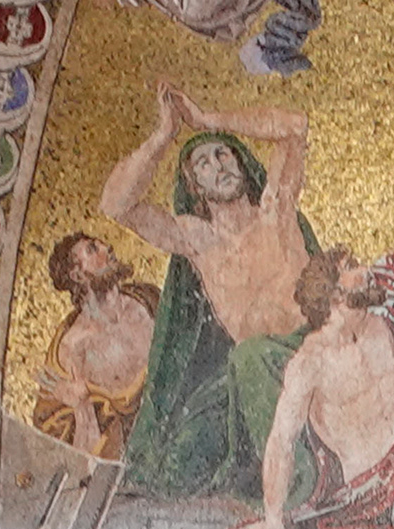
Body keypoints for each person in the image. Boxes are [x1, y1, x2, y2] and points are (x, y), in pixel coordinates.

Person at [221, 170, 394, 529]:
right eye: (354, 266)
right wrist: (273, 516)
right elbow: (281, 440)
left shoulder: (383, 316)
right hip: (373, 495)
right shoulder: (310, 364)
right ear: (337, 295)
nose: (368, 269)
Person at [102, 87, 320, 500]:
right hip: (250, 371)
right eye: (202, 163)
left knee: (249, 357)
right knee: (179, 458)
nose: (217, 164)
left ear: (240, 161)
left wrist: (209, 121)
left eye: (224, 154)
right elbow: (116, 204)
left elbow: (295, 126)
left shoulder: (276, 208)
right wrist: (162, 136)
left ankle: (297, 490)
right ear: (194, 187)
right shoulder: (198, 241)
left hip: (305, 346)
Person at [31, 233, 159, 458]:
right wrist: (81, 407)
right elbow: (86, 459)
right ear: (77, 274)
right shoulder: (73, 348)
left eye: (101, 243)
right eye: (92, 249)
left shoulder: (148, 300)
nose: (107, 247)